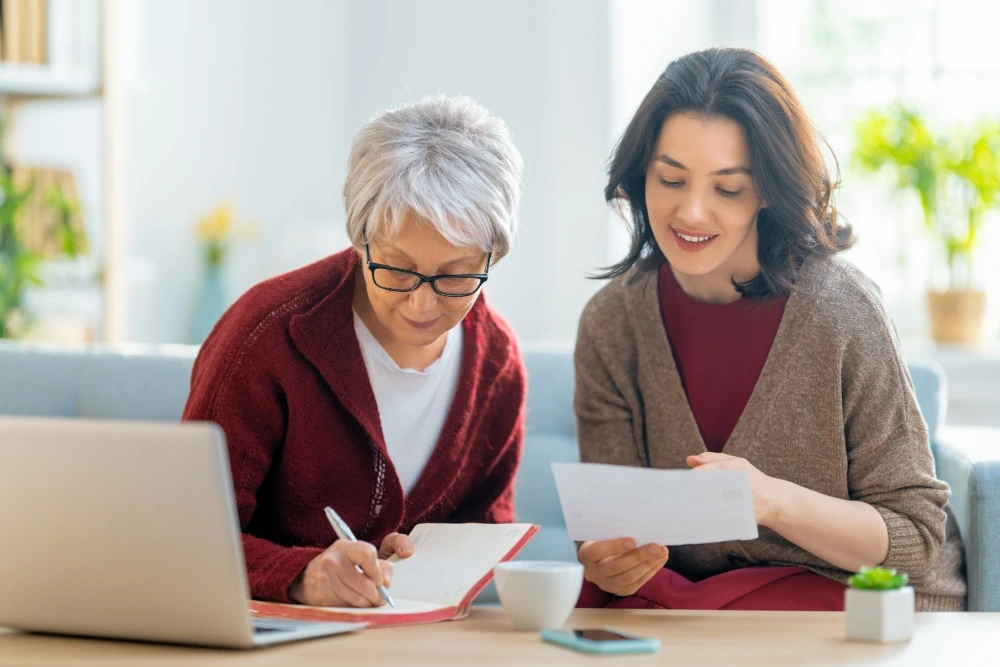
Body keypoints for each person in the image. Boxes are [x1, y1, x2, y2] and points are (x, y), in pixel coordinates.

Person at [573, 47, 966, 611]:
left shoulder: (840, 310)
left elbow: (916, 536)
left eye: (727, 188)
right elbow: (608, 528)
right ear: (640, 178)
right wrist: (608, 557)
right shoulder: (613, 323)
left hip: (854, 602)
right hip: (691, 607)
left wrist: (771, 501)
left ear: (769, 192)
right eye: (671, 180)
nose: (692, 212)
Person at [183, 95, 525, 608]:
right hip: (272, 636)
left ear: (493, 257)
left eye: (456, 276)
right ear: (360, 239)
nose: (421, 303)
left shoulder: (496, 362)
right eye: (397, 268)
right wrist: (301, 574)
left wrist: (426, 563)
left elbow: (486, 529)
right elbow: (190, 533)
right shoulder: (267, 335)